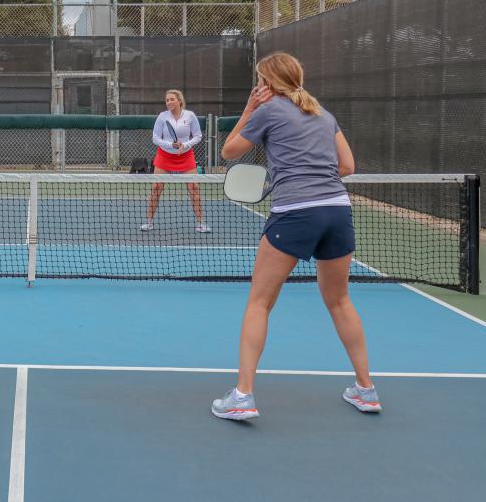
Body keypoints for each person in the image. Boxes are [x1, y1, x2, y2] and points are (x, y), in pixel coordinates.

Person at [212, 52, 380, 421]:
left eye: (259, 81)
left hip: (294, 214)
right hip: (337, 211)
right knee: (339, 301)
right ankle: (366, 390)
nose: (258, 87)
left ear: (268, 84)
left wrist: (248, 108)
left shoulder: (267, 111)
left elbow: (228, 151)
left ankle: (242, 396)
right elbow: (347, 166)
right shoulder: (324, 114)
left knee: (259, 303)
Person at [140, 90, 210, 233]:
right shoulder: (162, 117)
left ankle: (201, 223)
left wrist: (186, 145)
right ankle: (149, 222)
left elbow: (198, 136)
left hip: (186, 156)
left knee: (194, 188)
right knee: (156, 188)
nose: (169, 102)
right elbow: (155, 138)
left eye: (172, 99)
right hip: (164, 156)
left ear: (179, 101)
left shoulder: (190, 116)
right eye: (167, 100)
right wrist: (170, 145)